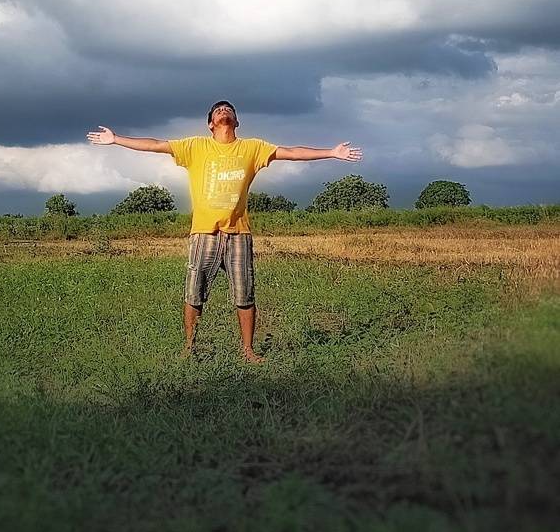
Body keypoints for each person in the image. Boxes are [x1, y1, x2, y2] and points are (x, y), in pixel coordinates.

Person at [87, 102, 363, 363]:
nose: (223, 111)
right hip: (204, 234)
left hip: (239, 234)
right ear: (210, 124)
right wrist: (116, 139)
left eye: (228, 109)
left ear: (236, 122)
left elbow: (291, 152)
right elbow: (156, 145)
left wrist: (331, 152)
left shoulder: (252, 148)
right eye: (218, 110)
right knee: (194, 294)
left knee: (245, 294)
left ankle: (248, 351)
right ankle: (189, 349)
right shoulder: (195, 146)